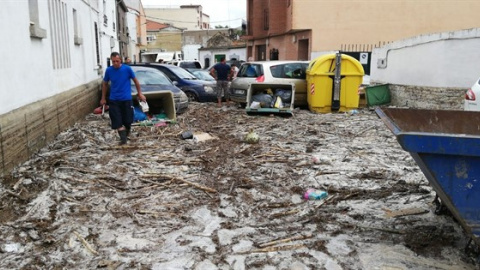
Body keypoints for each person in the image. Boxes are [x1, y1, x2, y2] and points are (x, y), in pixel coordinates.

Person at [101, 52, 146, 145]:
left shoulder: (127, 69)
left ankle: (126, 133)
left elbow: (136, 81)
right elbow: (104, 84)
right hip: (114, 99)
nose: (115, 63)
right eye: (113, 62)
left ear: (120, 60)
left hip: (126, 99)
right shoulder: (109, 70)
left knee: (128, 120)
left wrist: (140, 93)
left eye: (117, 61)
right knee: (116, 120)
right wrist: (103, 98)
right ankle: (123, 140)